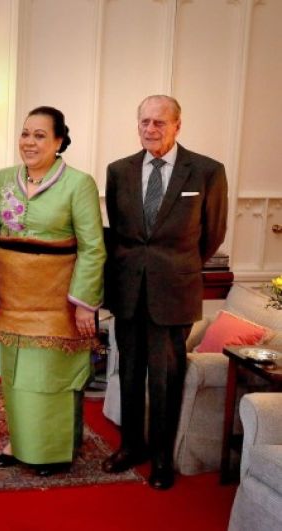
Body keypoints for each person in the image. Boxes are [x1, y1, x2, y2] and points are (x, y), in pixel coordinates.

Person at [102, 95, 228, 490]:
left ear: (177, 125)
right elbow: (121, 233)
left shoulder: (206, 171)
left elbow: (213, 234)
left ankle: (161, 459)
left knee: (165, 381)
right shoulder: (118, 170)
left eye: (159, 123)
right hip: (127, 291)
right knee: (130, 373)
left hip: (174, 293)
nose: (150, 130)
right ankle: (131, 447)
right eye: (144, 122)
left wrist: (173, 267)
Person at [0, 106, 106, 476]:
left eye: (39, 135)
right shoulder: (4, 179)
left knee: (48, 377)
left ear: (59, 141)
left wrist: (84, 305)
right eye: (25, 133)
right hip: (11, 299)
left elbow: (93, 246)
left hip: (55, 302)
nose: (29, 142)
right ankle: (19, 440)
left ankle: (51, 450)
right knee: (16, 375)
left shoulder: (79, 184)